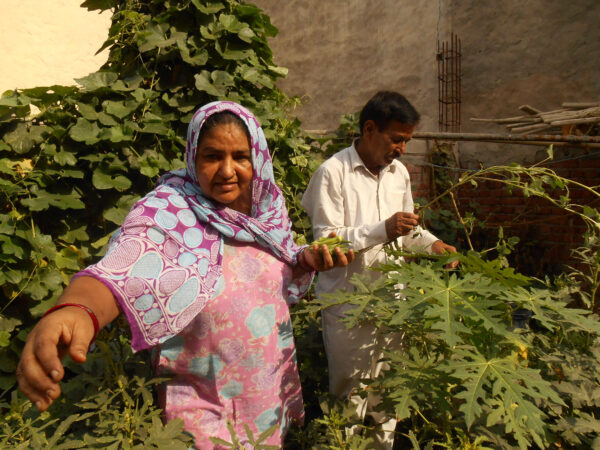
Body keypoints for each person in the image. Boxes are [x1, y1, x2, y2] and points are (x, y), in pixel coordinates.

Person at [16, 101, 354, 448]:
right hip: (202, 408)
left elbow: (277, 268)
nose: (227, 170)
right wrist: (78, 309)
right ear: (193, 157)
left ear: (258, 158)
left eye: (240, 156)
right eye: (211, 156)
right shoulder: (168, 211)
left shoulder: (266, 210)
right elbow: (125, 266)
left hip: (265, 395)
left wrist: (306, 259)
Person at [301, 91, 457, 449]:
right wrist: (381, 230)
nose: (402, 148)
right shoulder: (333, 173)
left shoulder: (398, 173)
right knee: (349, 394)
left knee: (387, 394)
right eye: (396, 139)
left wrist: (432, 244)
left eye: (407, 140)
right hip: (348, 305)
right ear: (370, 129)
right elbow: (326, 243)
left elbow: (406, 229)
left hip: (392, 301)